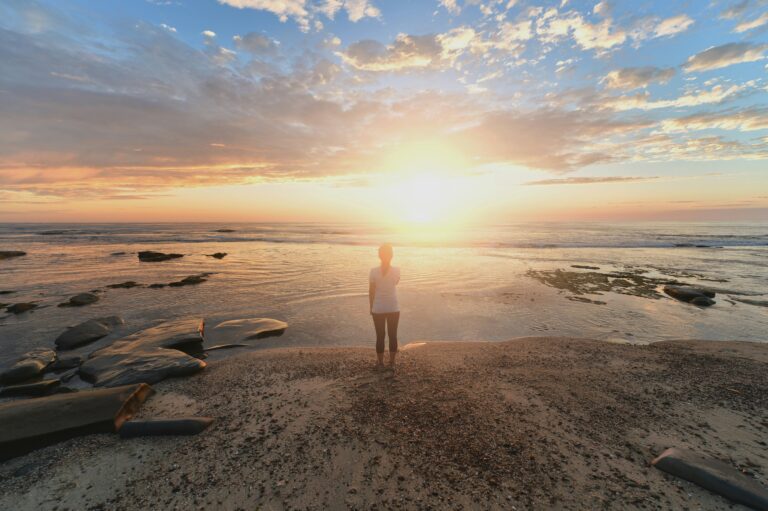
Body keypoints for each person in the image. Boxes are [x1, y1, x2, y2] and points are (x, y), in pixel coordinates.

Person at [369, 243, 400, 370]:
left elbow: (371, 291)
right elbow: (395, 282)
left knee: (380, 336)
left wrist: (371, 307)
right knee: (393, 335)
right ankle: (392, 363)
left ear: (379, 255)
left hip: (378, 308)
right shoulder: (397, 270)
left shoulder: (373, 271)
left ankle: (380, 363)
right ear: (391, 255)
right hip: (393, 307)